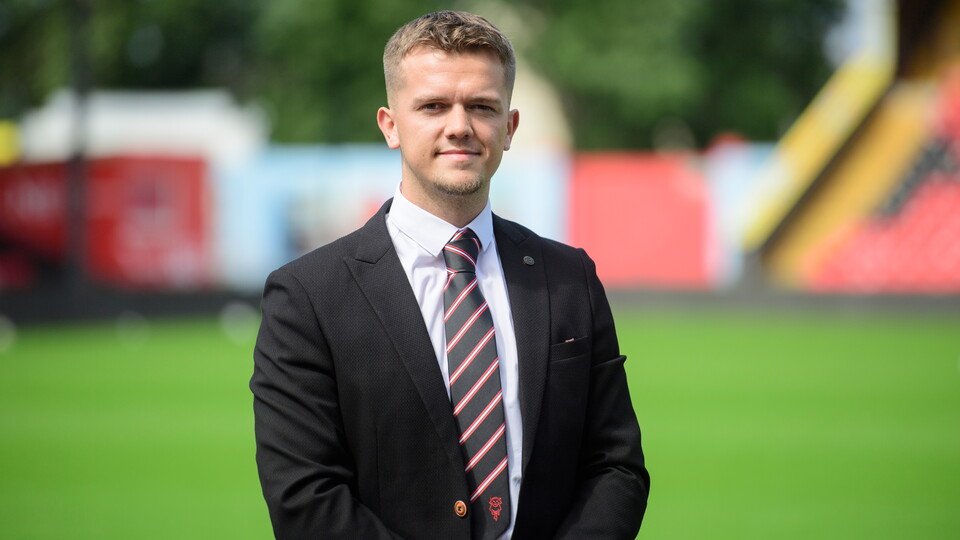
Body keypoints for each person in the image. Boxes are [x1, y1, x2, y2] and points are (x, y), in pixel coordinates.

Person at [251, 10, 649, 539]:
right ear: (390, 125)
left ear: (508, 129)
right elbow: (305, 495)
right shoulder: (307, 297)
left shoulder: (569, 277)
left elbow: (615, 467)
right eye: (433, 105)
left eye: (481, 106)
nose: (459, 125)